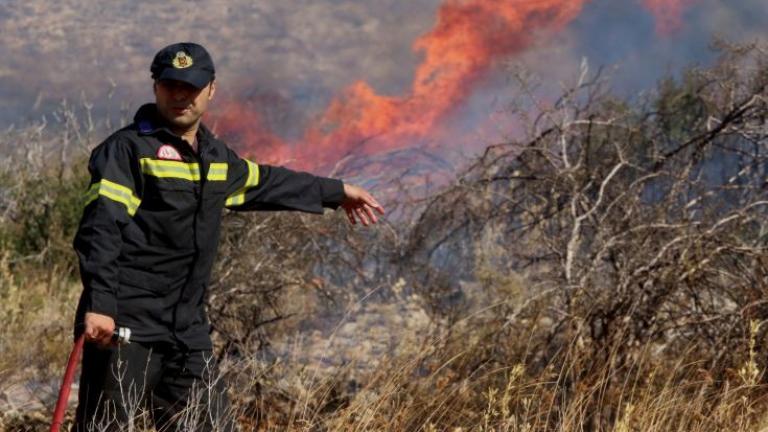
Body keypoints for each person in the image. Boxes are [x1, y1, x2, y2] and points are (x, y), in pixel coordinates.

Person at [71, 42, 384, 431]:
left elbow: (265, 182)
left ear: (211, 90)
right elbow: (101, 228)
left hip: (186, 332)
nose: (180, 95)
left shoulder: (216, 158)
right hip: (124, 326)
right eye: (170, 85)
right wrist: (101, 304)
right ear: (155, 88)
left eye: (191, 86)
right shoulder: (127, 150)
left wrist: (337, 192)